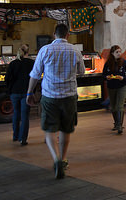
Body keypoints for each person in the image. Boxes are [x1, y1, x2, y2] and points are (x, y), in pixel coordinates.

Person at [27, 24, 85, 179]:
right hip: (69, 96)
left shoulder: (45, 50)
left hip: (50, 96)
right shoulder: (75, 50)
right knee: (66, 129)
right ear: (68, 35)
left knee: (50, 130)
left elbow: (35, 74)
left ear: (54, 34)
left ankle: (56, 158)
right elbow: (82, 71)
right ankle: (64, 158)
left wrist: (29, 93)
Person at [6, 44, 35, 146]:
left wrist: (10, 89)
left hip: (14, 92)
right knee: (25, 115)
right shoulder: (31, 63)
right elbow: (34, 77)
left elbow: (7, 78)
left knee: (16, 114)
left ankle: (15, 135)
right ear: (28, 52)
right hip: (26, 92)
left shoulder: (13, 63)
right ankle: (23, 139)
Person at [103, 45, 126, 134]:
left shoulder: (124, 62)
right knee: (113, 106)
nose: (119, 53)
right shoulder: (108, 63)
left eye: (120, 51)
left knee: (120, 106)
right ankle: (116, 123)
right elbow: (103, 75)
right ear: (112, 53)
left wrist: (123, 78)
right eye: (117, 52)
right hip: (111, 86)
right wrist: (107, 77)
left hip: (122, 86)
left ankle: (120, 125)